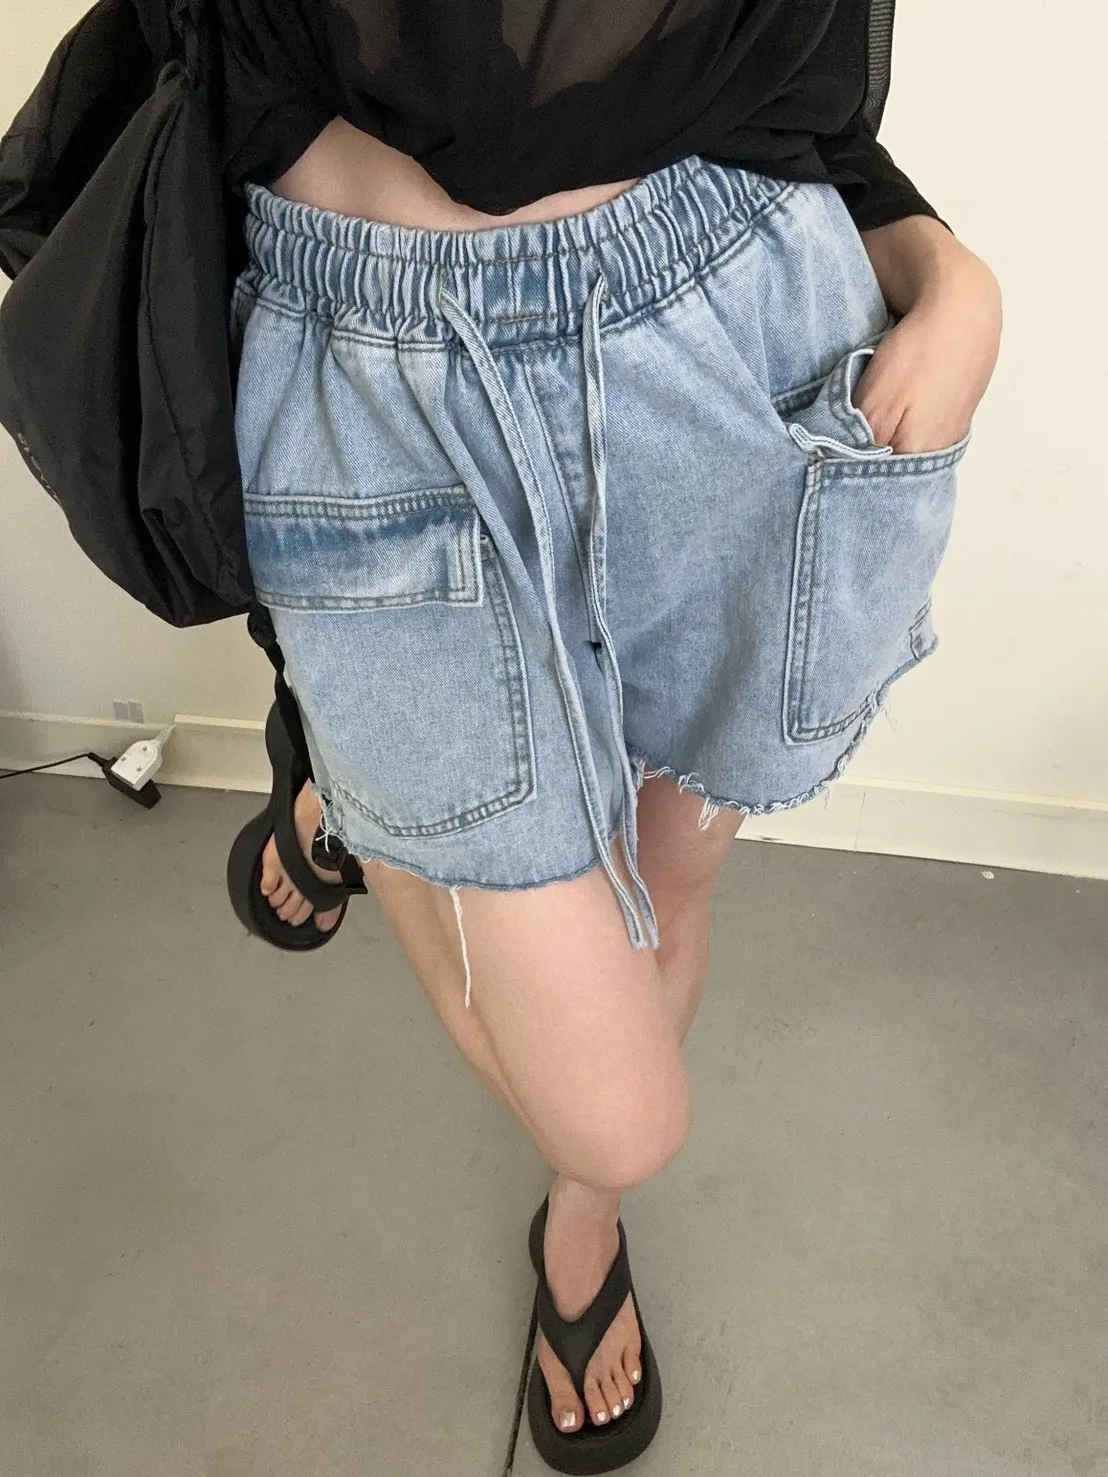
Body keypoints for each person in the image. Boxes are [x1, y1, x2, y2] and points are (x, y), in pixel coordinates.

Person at [223, 1, 1002, 1466]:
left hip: (730, 328)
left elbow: (794, 76)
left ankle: (583, 1223)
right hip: (389, 378)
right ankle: (352, 777)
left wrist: (954, 282)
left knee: (672, 883)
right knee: (620, 1110)